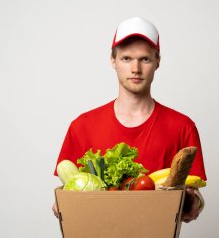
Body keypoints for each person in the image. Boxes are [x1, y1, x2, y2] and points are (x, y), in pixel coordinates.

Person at [52, 17, 207, 223]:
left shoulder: (182, 127)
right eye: (126, 58)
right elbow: (68, 189)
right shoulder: (82, 126)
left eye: (145, 59)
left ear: (157, 62)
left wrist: (193, 202)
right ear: (113, 61)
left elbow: (194, 197)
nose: (135, 68)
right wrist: (62, 203)